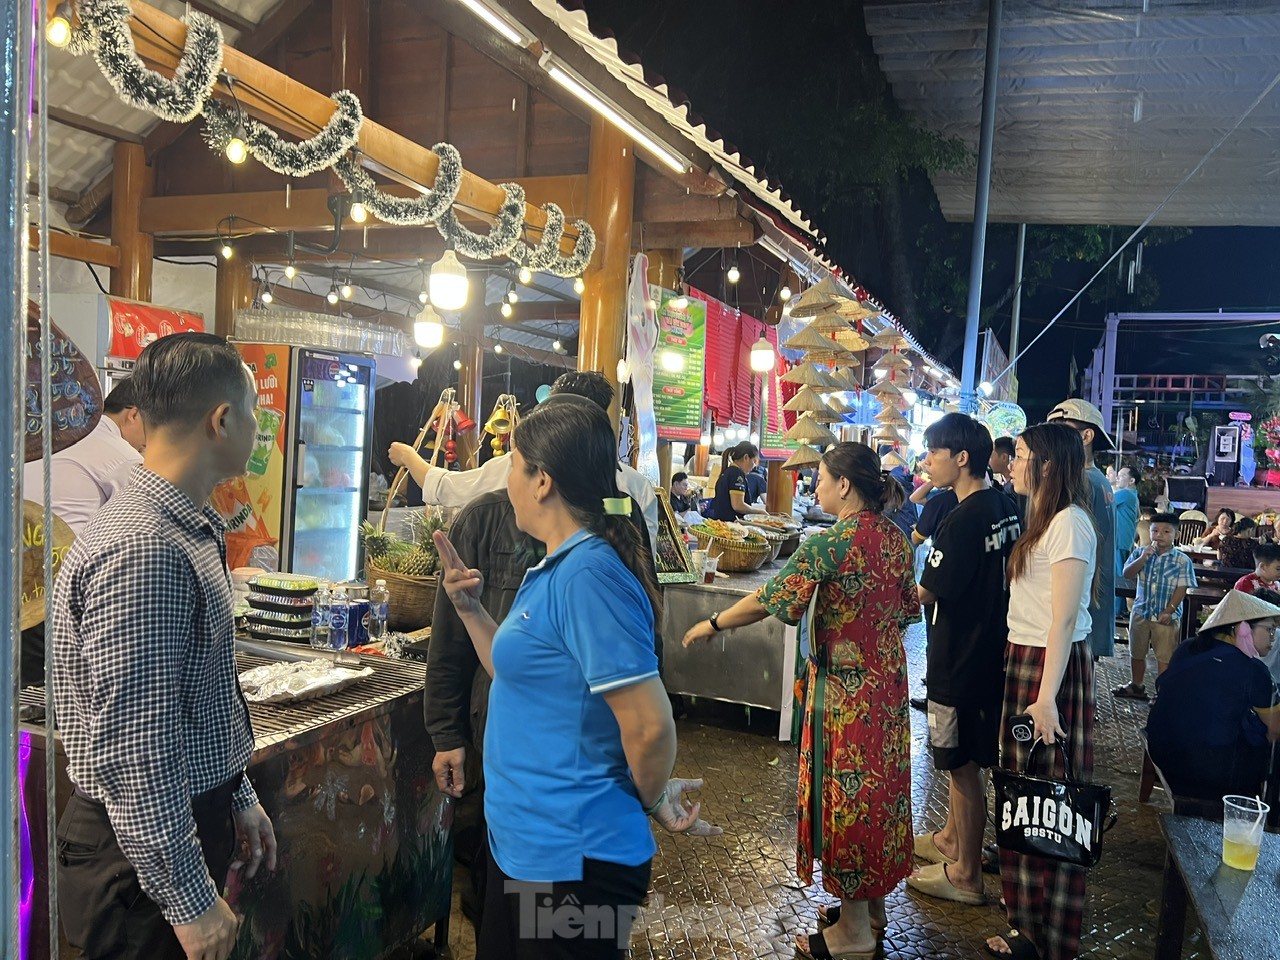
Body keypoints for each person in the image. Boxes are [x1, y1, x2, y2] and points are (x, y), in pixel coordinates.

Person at [434, 395, 719, 959]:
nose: (507, 480)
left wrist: (643, 795)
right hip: (525, 848)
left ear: (542, 480)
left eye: (513, 465)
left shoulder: (589, 575)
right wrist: (470, 611)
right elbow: (519, 675)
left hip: (573, 859)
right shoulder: (555, 566)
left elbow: (650, 728)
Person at [52, 333, 277, 960]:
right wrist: (188, 899)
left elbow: (196, 697)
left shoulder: (187, 524)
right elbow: (137, 749)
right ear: (223, 419)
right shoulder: (147, 548)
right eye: (254, 412)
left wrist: (236, 792)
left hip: (166, 827)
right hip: (135, 860)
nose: (257, 427)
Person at [683, 442, 920, 960]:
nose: (815, 485)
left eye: (820, 476)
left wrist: (712, 621)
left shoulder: (830, 545)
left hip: (843, 694)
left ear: (844, 486)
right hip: (888, 688)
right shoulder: (897, 540)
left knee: (848, 798)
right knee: (880, 796)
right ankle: (872, 908)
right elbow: (907, 611)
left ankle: (854, 932)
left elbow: (768, 602)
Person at [988, 422, 1097, 960]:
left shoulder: (1071, 524)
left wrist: (1048, 696)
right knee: (1020, 796)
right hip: (1026, 663)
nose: (1012, 463)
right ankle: (1024, 923)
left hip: (1048, 672)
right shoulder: (1043, 519)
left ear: (1049, 464)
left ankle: (1048, 937)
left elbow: (1064, 618)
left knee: (1052, 805)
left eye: (1022, 454)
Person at [910, 414, 1021, 908]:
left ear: (961, 458)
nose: (927, 461)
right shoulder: (1003, 505)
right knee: (970, 757)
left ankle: (966, 874)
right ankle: (952, 842)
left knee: (960, 765)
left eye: (934, 452)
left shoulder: (961, 520)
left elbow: (925, 593)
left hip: (958, 657)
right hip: (992, 648)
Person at [424, 489, 542, 933]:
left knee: (548, 929)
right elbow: (455, 644)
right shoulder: (485, 517)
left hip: (563, 794)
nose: (511, 477)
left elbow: (646, 661)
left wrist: (646, 785)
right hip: (497, 758)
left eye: (520, 465)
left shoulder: (608, 529)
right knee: (495, 909)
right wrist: (447, 735)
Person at [388, 370, 659, 551]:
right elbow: (646, 555)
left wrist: (409, 458)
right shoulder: (635, 488)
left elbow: (447, 487)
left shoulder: (523, 465)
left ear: (543, 482)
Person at [1146, 590, 1280, 803]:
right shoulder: (1254, 671)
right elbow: (1276, 729)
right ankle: (1267, 819)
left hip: (1163, 749)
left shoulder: (1188, 647)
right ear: (1243, 628)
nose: (1273, 638)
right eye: (1270, 629)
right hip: (1211, 770)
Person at [23, 376, 146, 535]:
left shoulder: (63, 433)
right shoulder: (123, 457)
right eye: (154, 425)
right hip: (59, 555)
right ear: (134, 415)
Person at [1047, 398, 1117, 660]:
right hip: (1090, 607)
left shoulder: (1081, 481)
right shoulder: (1100, 480)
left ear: (1087, 436)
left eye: (1062, 431)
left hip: (1078, 611)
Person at [1114, 513, 1196, 701]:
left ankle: (1162, 692)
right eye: (1155, 531)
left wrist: (1169, 610)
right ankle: (1136, 685)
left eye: (1166, 531)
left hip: (1166, 616)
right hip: (1141, 612)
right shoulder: (1140, 553)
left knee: (1164, 656)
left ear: (1176, 534)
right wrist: (1142, 558)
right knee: (1136, 651)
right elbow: (1127, 574)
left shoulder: (1182, 560)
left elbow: (1181, 588)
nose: (1159, 535)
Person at [707, 441, 769, 521]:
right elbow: (738, 505)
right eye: (753, 460)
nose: (754, 465)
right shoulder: (737, 474)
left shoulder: (729, 471)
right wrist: (759, 512)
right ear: (746, 457)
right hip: (730, 525)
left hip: (723, 522)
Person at [1113, 465, 1141, 622]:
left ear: (1131, 480)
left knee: (1118, 576)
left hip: (1120, 540)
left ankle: (1116, 610)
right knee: (1122, 574)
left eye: (1122, 475)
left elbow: (1107, 502)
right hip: (1126, 539)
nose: (1118, 477)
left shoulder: (1125, 494)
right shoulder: (1133, 495)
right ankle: (1122, 608)